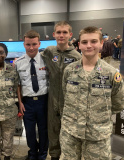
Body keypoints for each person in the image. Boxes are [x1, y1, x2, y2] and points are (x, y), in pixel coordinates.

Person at [60, 26, 124, 159]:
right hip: (70, 133)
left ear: (101, 44)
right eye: (84, 42)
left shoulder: (111, 73)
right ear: (79, 45)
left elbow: (119, 103)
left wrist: (98, 118)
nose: (89, 45)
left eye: (94, 41)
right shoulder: (70, 71)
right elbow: (65, 95)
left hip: (98, 136)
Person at [41, 21, 81, 160]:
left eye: (65, 32)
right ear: (54, 34)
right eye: (58, 32)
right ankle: (54, 156)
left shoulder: (77, 57)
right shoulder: (49, 52)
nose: (61, 35)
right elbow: (34, 59)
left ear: (70, 35)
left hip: (69, 101)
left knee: (69, 132)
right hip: (52, 99)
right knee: (53, 130)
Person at [15, 30, 48, 160]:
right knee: (29, 131)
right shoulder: (18, 63)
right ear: (24, 44)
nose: (31, 47)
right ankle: (33, 153)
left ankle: (43, 154)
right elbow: (18, 85)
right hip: (27, 102)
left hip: (43, 101)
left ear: (39, 43)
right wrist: (20, 103)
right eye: (28, 44)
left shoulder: (47, 61)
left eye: (34, 44)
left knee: (43, 130)